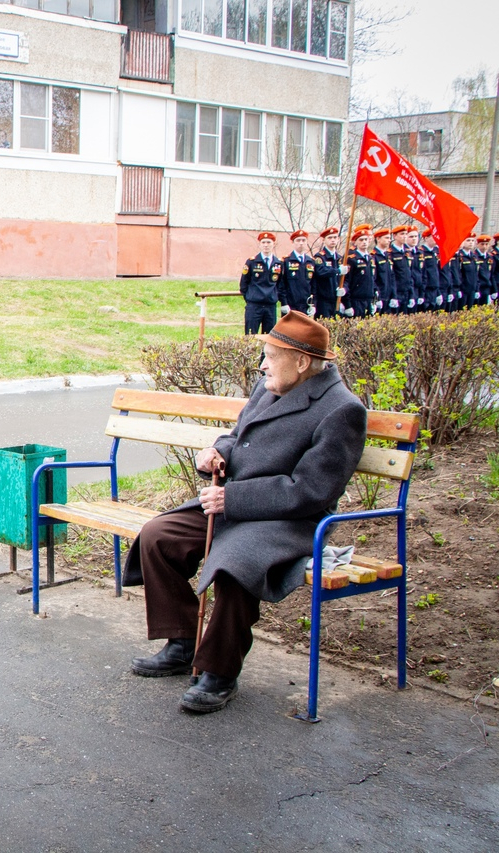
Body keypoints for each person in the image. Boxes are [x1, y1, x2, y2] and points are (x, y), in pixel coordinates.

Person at [125, 311, 367, 714]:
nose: (263, 365)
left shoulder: (342, 409)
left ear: (302, 361)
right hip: (235, 503)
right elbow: (238, 435)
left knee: (236, 563)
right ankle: (184, 642)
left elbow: (310, 491)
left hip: (289, 520)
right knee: (157, 536)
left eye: (271, 357)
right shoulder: (270, 386)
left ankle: (219, 671)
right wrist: (218, 451)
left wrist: (232, 501)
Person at [239, 232, 281, 335]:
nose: (266, 245)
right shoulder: (252, 262)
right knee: (250, 335)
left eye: (268, 242)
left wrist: (274, 296)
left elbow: (280, 284)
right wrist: (251, 297)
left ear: (273, 244)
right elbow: (244, 283)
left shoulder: (278, 263)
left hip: (270, 306)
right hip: (254, 305)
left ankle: (264, 352)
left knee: (269, 337)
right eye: (263, 242)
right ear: (259, 244)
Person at [278, 230, 315, 315]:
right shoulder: (286, 261)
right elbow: (281, 284)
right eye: (298, 240)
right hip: (290, 305)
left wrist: (313, 304)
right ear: (292, 242)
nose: (301, 243)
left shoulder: (311, 262)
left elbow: (313, 284)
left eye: (303, 240)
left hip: (306, 304)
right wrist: (284, 303)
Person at [311, 227, 345, 319]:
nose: (333, 240)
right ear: (323, 240)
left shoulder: (340, 258)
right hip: (323, 300)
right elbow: (321, 271)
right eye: (329, 238)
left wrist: (344, 289)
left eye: (335, 237)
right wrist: (337, 271)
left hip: (337, 298)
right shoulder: (320, 257)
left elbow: (345, 279)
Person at [345, 225, 377, 317]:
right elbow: (346, 281)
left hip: (368, 299)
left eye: (366, 239)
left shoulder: (370, 258)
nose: (364, 242)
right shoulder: (351, 259)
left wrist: (375, 298)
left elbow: (372, 279)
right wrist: (347, 304)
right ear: (355, 242)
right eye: (361, 240)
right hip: (356, 300)